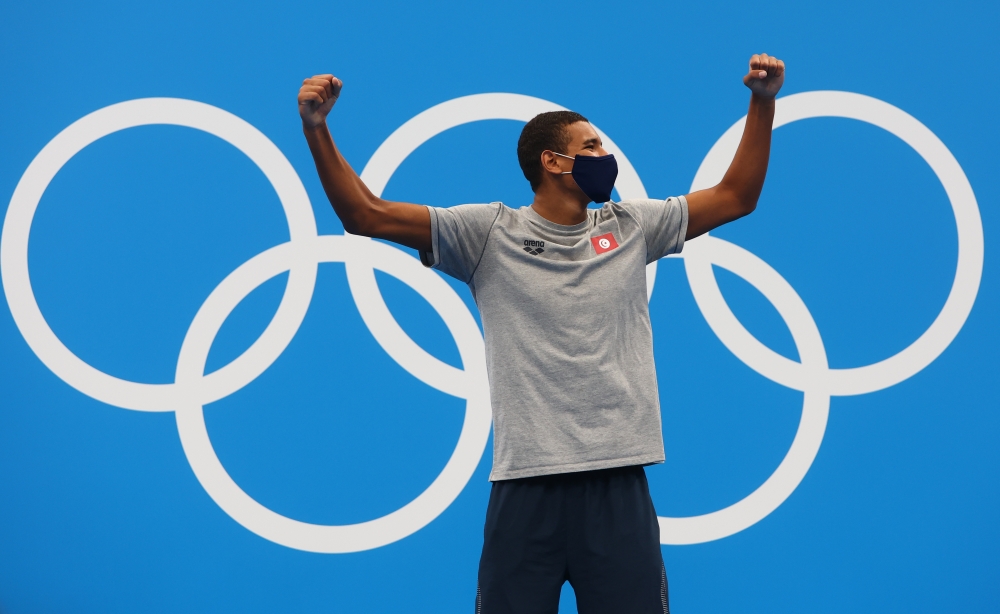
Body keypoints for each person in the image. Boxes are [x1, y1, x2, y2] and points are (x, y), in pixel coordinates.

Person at [298, 53, 785, 614]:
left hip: (617, 484)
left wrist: (762, 101)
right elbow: (367, 214)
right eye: (593, 147)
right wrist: (318, 129)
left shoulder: (630, 227)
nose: (608, 157)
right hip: (526, 487)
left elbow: (736, 197)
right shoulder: (485, 233)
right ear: (554, 162)